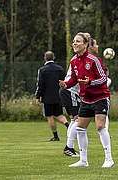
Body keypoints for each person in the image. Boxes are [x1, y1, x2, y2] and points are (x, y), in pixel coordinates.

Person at [59, 32, 114, 168]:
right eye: (73, 41)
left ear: (85, 44)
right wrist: (67, 84)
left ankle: (109, 159)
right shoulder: (74, 61)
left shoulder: (94, 60)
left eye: (78, 41)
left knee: (100, 126)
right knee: (80, 128)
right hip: (86, 99)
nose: (75, 44)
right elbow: (74, 79)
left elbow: (103, 79)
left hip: (100, 97)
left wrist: (90, 82)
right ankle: (83, 161)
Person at [35, 51, 69, 141]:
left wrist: (38, 97)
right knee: (59, 115)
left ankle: (56, 136)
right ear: (53, 58)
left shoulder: (42, 70)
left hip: (47, 97)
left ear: (45, 58)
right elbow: (64, 82)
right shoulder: (60, 69)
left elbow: (40, 85)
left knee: (50, 116)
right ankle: (70, 127)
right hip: (59, 96)